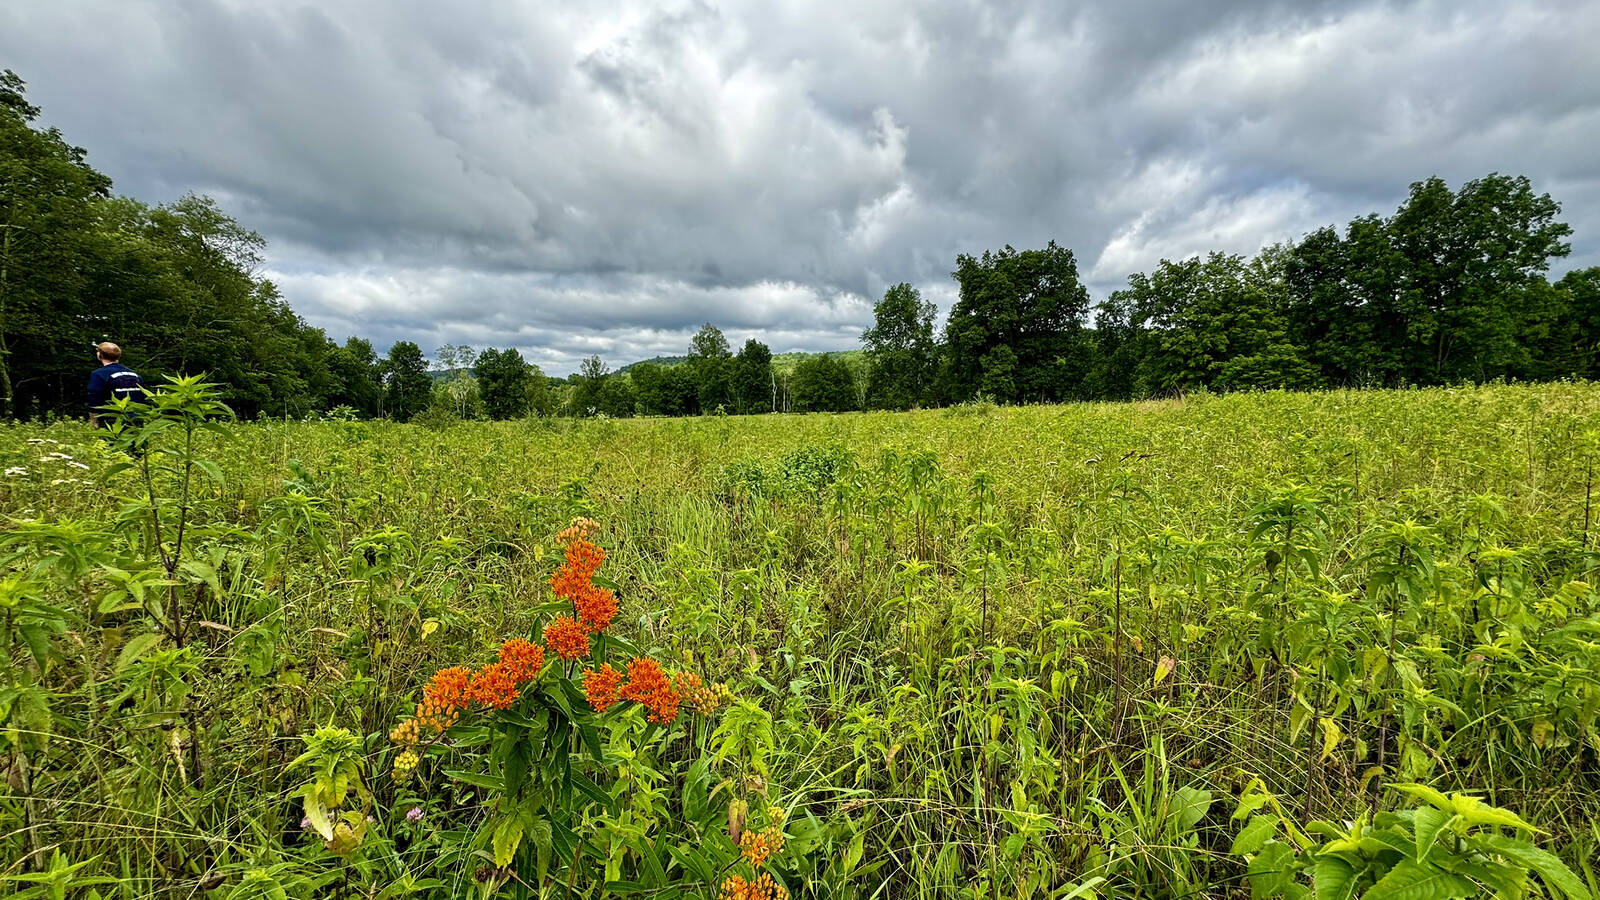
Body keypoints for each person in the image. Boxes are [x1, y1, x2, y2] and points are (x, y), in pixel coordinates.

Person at [87, 341, 148, 427]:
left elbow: (94, 398)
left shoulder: (98, 374)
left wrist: (94, 420)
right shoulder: (134, 374)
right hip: (136, 420)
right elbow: (143, 397)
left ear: (99, 355)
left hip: (112, 420)